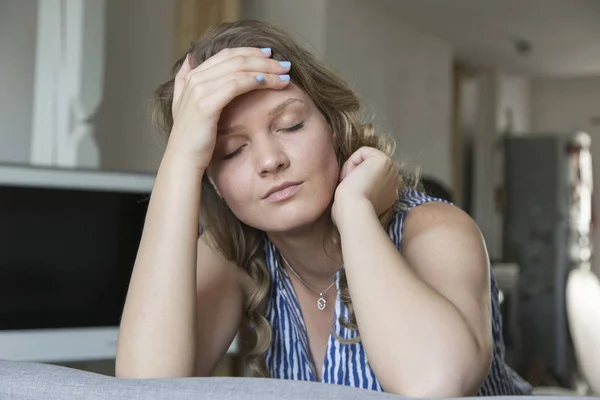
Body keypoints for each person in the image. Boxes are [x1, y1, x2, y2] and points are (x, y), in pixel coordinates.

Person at [115, 20, 532, 397]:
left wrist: (353, 211)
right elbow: (144, 387)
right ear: (215, 183)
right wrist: (182, 158)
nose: (270, 160)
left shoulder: (436, 230)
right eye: (232, 151)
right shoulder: (234, 254)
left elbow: (434, 383)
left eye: (291, 125)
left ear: (333, 127)